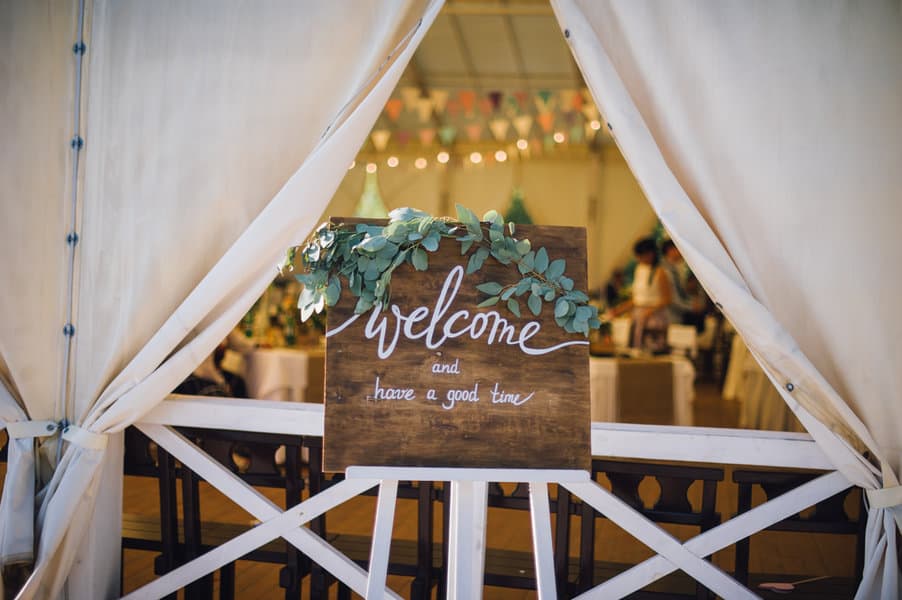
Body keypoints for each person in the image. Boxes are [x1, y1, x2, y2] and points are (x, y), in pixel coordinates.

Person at [610, 237, 672, 351]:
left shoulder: (661, 272)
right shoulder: (639, 269)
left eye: (641, 255)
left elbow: (667, 299)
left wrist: (650, 311)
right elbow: (637, 299)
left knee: (651, 349)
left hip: (654, 317)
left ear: (651, 254)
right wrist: (619, 310)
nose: (639, 259)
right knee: (635, 348)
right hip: (638, 315)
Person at [661, 239, 693, 325]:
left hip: (675, 314)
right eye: (679, 247)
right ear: (671, 250)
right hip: (671, 316)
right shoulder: (666, 271)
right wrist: (691, 307)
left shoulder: (671, 268)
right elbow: (672, 298)